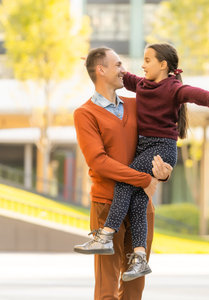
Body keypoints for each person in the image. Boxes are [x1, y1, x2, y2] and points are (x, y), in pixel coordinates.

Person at [75, 43, 209, 281]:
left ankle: (106, 234)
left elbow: (192, 93)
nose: (142, 64)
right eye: (142, 60)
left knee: (125, 182)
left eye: (148, 60)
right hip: (143, 151)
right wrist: (94, 62)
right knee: (139, 200)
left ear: (163, 65)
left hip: (162, 148)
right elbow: (126, 77)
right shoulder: (141, 86)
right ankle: (139, 258)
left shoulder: (172, 89)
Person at [73, 47, 173, 300]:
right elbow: (99, 162)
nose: (125, 70)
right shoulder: (85, 114)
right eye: (118, 65)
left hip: (141, 205)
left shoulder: (138, 105)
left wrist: (163, 172)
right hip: (107, 206)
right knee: (107, 288)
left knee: (134, 287)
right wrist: (144, 179)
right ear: (101, 70)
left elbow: (159, 142)